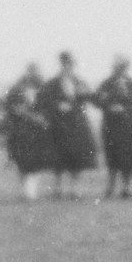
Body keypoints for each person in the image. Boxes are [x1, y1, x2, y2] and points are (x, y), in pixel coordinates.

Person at [41, 51, 96, 198]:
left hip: (77, 124)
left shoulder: (79, 82)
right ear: (61, 65)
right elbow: (44, 102)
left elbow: (90, 98)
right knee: (59, 157)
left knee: (77, 157)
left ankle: (74, 189)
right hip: (59, 125)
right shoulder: (52, 84)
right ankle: (57, 188)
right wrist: (57, 106)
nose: (68, 68)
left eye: (70, 65)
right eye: (65, 65)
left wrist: (85, 95)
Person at [95, 56, 132, 199]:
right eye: (118, 67)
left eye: (123, 67)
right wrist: (109, 106)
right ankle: (110, 187)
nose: (120, 70)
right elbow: (97, 100)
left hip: (130, 126)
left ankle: (126, 188)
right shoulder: (106, 84)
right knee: (112, 157)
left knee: (128, 157)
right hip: (112, 126)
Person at [1, 63, 53, 200]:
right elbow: (10, 106)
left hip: (37, 132)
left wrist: (41, 118)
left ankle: (31, 192)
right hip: (20, 132)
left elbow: (48, 107)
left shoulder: (43, 89)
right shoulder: (16, 89)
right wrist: (22, 113)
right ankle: (27, 192)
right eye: (31, 72)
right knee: (22, 161)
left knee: (35, 162)